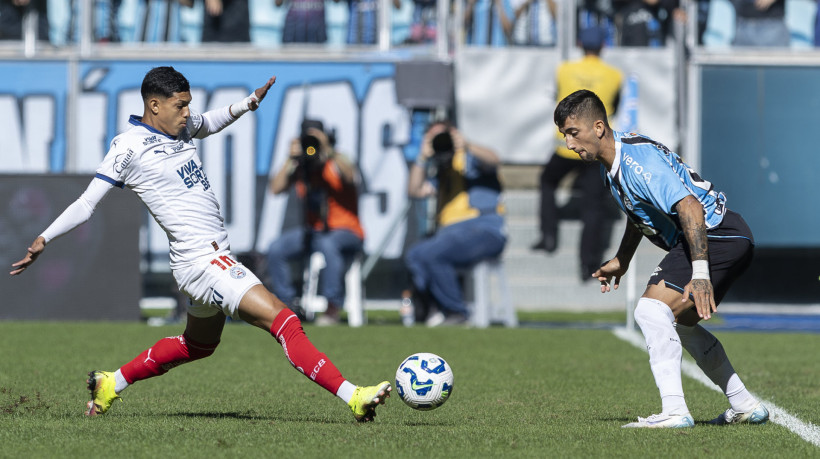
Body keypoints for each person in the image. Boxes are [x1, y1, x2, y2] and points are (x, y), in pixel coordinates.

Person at [10, 66, 390, 422]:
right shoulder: (128, 147)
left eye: (188, 104)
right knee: (285, 320)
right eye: (180, 105)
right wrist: (45, 237)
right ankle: (354, 396)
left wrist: (248, 103)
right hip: (204, 262)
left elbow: (209, 122)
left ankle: (112, 382)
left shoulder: (181, 127)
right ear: (154, 105)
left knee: (198, 346)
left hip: (203, 261)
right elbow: (86, 203)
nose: (187, 112)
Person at [554, 89, 769, 428]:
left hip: (716, 234)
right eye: (564, 135)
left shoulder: (636, 161)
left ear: (598, 127)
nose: (568, 143)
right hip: (726, 235)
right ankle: (744, 404)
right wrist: (622, 259)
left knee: (650, 311)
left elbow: (690, 207)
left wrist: (700, 273)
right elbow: (640, 212)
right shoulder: (611, 165)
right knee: (680, 325)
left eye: (572, 132)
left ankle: (674, 411)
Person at [531, 26, 622, 282]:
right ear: (603, 47)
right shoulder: (615, 75)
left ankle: (549, 236)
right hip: (594, 149)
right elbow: (615, 107)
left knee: (547, 181)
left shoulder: (564, 70)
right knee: (593, 208)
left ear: (580, 44)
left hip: (567, 147)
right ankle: (588, 265)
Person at [405, 120, 507, 327]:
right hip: (449, 236)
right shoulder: (441, 170)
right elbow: (414, 190)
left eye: (443, 136)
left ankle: (456, 312)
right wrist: (422, 157)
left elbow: (494, 160)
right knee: (415, 254)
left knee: (432, 253)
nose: (441, 141)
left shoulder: (471, 160)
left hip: (484, 230)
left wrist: (465, 144)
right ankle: (431, 311)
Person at [267, 119, 364, 326]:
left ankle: (332, 307)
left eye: (315, 139)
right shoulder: (301, 166)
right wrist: (290, 158)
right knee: (276, 249)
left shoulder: (337, 160)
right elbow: (275, 189)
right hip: (314, 232)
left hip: (347, 231)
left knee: (329, 244)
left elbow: (351, 176)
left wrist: (327, 149)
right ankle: (288, 305)